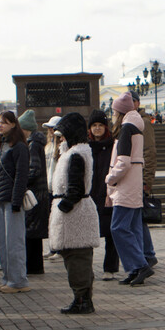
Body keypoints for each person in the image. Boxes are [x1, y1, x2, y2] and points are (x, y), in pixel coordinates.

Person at [48, 113, 100, 314]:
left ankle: (82, 300)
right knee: (78, 258)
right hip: (76, 214)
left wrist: (64, 206)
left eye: (62, 135)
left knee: (77, 259)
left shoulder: (75, 155)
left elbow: (75, 187)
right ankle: (82, 298)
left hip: (74, 216)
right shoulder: (75, 152)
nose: (60, 139)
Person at [107, 92, 152, 286]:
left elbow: (123, 162)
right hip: (134, 183)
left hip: (125, 186)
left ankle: (139, 265)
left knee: (118, 227)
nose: (112, 115)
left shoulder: (126, 129)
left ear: (119, 111)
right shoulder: (136, 127)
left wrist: (110, 178)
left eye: (113, 111)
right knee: (133, 227)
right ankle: (136, 269)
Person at [0, 111, 30, 293]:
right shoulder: (0, 146)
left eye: (4, 123)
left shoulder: (19, 147)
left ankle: (18, 281)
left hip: (12, 200)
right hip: (1, 198)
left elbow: (22, 175)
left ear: (14, 124)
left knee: (14, 242)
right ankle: (8, 278)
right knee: (3, 243)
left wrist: (16, 200)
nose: (0, 126)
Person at [88, 109, 119, 279]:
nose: (97, 128)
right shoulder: (86, 147)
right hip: (91, 194)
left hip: (108, 194)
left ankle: (110, 269)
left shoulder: (113, 145)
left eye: (100, 125)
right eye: (94, 125)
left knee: (110, 233)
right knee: (88, 234)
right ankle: (88, 269)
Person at [18, 109, 50, 276]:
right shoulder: (36, 143)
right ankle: (36, 266)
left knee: (31, 232)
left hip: (34, 195)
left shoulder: (32, 145)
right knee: (34, 233)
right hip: (39, 194)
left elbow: (34, 170)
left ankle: (33, 267)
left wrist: (20, 179)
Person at [130, 92, 159, 269]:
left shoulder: (144, 123)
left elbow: (149, 152)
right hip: (130, 178)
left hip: (139, 178)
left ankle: (148, 253)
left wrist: (147, 179)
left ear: (138, 103)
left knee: (139, 218)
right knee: (136, 217)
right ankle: (146, 253)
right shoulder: (126, 122)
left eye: (132, 101)